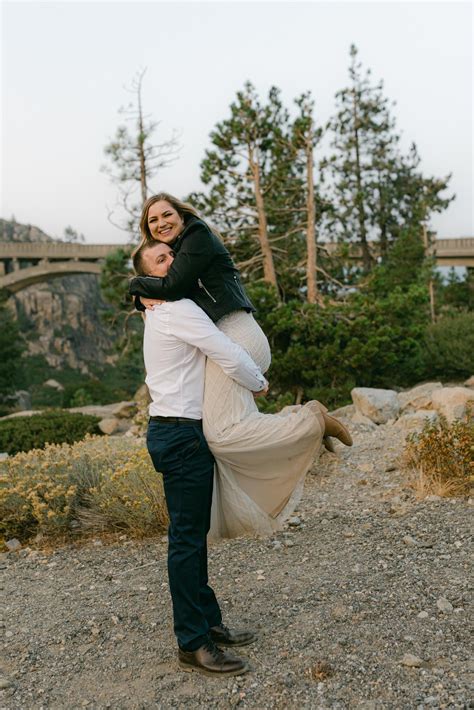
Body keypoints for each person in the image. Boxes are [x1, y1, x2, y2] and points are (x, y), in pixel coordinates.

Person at [129, 193, 352, 538]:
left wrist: (135, 287)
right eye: (152, 221)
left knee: (220, 435)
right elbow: (167, 289)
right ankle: (299, 427)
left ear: (181, 214)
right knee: (219, 434)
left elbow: (171, 285)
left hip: (238, 338)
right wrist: (143, 296)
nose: (161, 224)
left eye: (166, 215)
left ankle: (311, 420)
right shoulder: (180, 250)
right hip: (230, 339)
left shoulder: (196, 236)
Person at [138, 240, 269, 677]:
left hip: (174, 431)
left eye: (173, 254)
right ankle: (193, 642)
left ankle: (208, 622)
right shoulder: (176, 309)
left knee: (192, 537)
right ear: (152, 276)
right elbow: (227, 352)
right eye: (161, 259)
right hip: (180, 435)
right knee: (187, 541)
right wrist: (258, 382)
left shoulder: (161, 306)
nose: (172, 260)